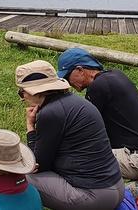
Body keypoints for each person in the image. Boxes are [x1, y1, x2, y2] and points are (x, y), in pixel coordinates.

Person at [16, 60, 124, 210]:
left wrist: (30, 127)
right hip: (116, 187)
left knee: (17, 175)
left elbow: (37, 164)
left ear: (34, 91)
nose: (23, 98)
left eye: (21, 92)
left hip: (94, 197)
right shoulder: (76, 102)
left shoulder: (50, 113)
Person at [57, 47, 138, 181]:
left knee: (70, 160)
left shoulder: (98, 87)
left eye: (67, 76)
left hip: (136, 161)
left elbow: (82, 129)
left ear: (80, 70)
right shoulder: (116, 75)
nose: (68, 83)